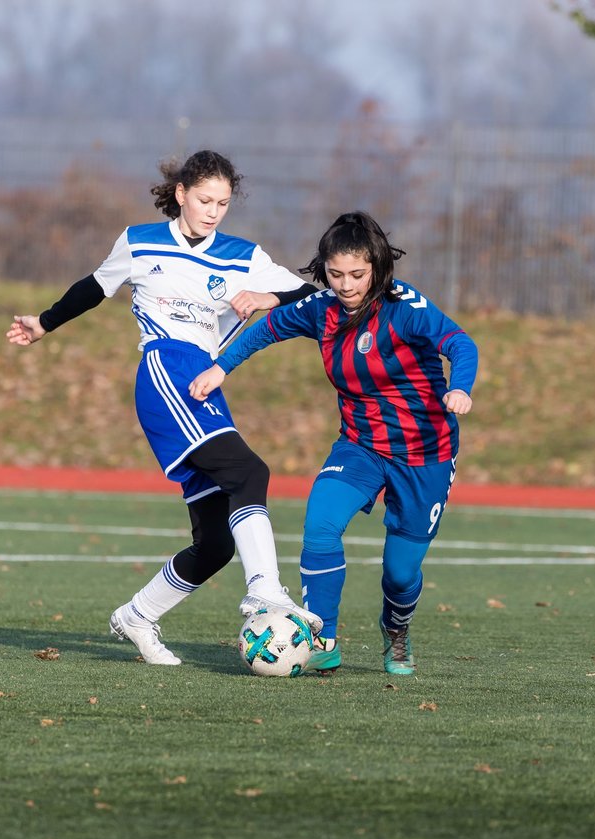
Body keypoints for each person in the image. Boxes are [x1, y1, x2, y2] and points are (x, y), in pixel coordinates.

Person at [5, 149, 321, 666]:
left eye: (222, 202)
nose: (213, 210)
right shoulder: (139, 241)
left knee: (216, 543)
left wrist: (268, 298)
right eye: (204, 199)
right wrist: (43, 322)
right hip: (164, 371)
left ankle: (137, 615)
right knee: (250, 471)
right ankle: (265, 591)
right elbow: (92, 288)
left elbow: (309, 296)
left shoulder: (245, 256)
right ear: (180, 194)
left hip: (204, 385)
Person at [188, 211, 478, 675]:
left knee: (401, 574)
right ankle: (322, 636)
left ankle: (397, 628)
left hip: (425, 453)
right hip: (360, 446)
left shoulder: (406, 307)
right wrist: (221, 367)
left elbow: (461, 344)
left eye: (357, 275)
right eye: (336, 273)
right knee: (320, 524)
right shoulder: (322, 309)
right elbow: (267, 328)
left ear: (378, 268)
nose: (345, 285)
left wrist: (460, 386)